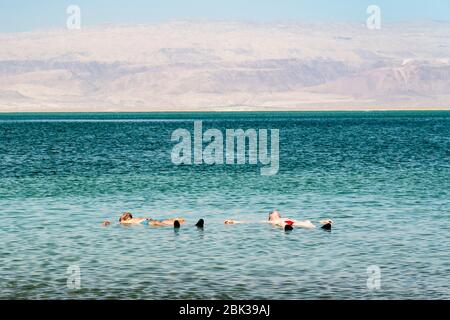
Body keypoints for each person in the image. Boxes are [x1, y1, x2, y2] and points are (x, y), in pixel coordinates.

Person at [225, 210, 333, 231]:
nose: (275, 211)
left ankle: (323, 228)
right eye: (272, 212)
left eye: (277, 211)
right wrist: (234, 222)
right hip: (284, 224)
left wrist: (322, 221)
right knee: (282, 223)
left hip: (293, 222)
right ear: (270, 217)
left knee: (307, 222)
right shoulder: (270, 221)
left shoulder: (285, 217)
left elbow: (311, 220)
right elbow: (251, 222)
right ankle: (287, 228)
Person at [102, 212, 186, 227]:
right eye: (125, 214)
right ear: (121, 218)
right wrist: (107, 222)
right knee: (157, 223)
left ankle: (179, 222)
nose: (127, 214)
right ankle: (174, 225)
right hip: (144, 222)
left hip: (149, 219)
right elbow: (114, 223)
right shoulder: (123, 222)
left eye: (128, 214)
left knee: (165, 220)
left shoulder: (132, 219)